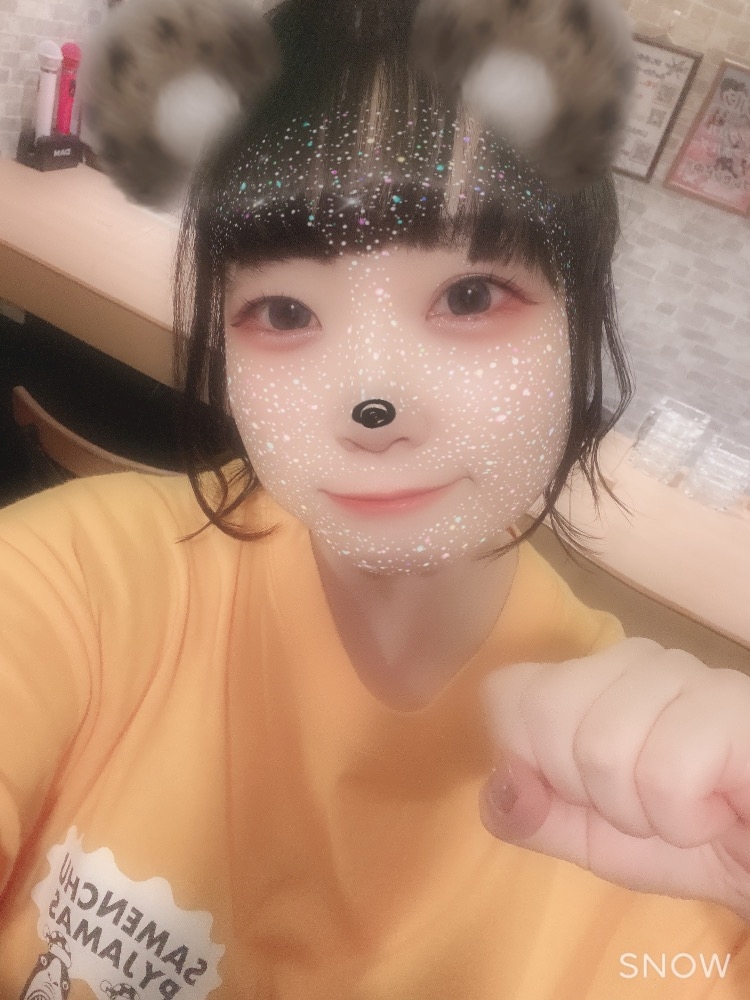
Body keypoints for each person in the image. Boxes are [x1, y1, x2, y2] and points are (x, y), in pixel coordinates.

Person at [1, 1, 749, 996]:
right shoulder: (77, 583)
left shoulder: (686, 835)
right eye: (284, 310)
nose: (373, 406)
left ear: (581, 324)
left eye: (470, 296)